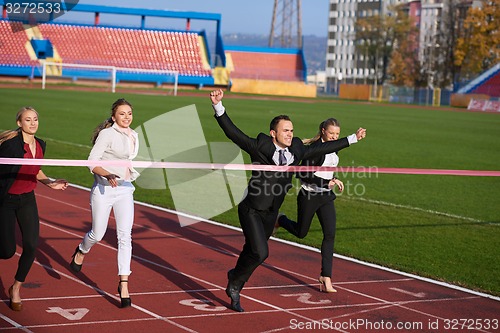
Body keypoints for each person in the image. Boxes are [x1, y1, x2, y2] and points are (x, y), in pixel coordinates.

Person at [209, 89, 366, 312]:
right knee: (261, 252)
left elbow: (323, 147)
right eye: (285, 130)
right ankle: (235, 283)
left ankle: (234, 277)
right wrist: (218, 107)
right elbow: (234, 133)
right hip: (252, 209)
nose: (290, 134)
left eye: (292, 130)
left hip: (271, 212)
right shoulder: (260, 146)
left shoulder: (297, 150)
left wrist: (352, 139)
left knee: (252, 250)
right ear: (273, 133)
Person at [69, 98, 139, 309]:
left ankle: (124, 284)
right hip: (104, 190)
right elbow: (92, 161)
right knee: (97, 234)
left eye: (129, 113)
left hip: (125, 189)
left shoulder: (134, 135)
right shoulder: (107, 134)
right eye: (122, 114)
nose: (126, 117)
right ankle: (81, 250)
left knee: (125, 236)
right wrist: (107, 174)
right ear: (114, 116)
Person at [275, 118, 358, 293]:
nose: (335, 137)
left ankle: (326, 276)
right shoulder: (313, 151)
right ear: (322, 131)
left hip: (326, 197)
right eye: (331, 133)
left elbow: (328, 171)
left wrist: (332, 180)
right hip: (309, 195)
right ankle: (280, 220)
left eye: (337, 134)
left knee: (330, 234)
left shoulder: (333, 149)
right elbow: (304, 176)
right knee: (301, 232)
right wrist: (325, 182)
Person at [0, 106, 68, 311]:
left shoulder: (40, 145)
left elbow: (35, 169)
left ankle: (16, 288)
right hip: (5, 200)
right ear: (19, 123)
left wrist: (50, 183)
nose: (33, 123)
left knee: (31, 245)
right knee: (6, 251)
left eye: (35, 119)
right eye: (28, 120)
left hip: (27, 199)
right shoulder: (10, 146)